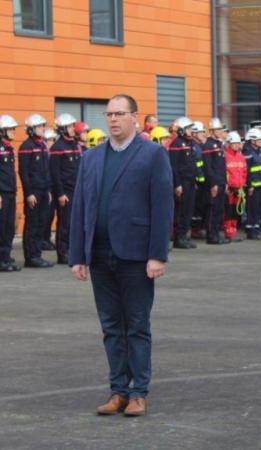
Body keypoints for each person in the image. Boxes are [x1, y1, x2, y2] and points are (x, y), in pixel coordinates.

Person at [69, 94, 173, 417]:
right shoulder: (91, 158)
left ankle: (139, 392)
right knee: (111, 326)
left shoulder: (153, 154)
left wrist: (158, 255)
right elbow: (80, 208)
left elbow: (162, 207)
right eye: (109, 114)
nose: (113, 119)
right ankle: (118, 390)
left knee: (137, 326)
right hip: (100, 255)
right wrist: (77, 255)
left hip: (136, 256)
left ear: (134, 118)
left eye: (120, 113)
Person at [18, 114, 54, 268]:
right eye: (39, 126)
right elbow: (23, 172)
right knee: (32, 224)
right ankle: (30, 257)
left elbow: (46, 170)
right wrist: (28, 193)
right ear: (32, 129)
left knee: (41, 223)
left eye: (43, 126)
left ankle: (37, 255)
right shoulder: (26, 146)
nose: (43, 129)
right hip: (34, 192)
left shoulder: (43, 146)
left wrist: (49, 190)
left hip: (44, 191)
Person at [50, 113, 82, 264]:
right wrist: (60, 193)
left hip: (76, 190)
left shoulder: (74, 144)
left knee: (74, 223)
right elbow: (55, 174)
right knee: (65, 224)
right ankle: (63, 254)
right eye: (69, 126)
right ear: (62, 129)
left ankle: (71, 250)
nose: (72, 128)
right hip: (65, 192)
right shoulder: (57, 147)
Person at [169, 117, 198, 248]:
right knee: (181, 211)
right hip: (182, 183)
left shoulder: (189, 143)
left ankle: (185, 236)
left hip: (191, 181)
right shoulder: (176, 144)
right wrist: (177, 184)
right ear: (182, 130)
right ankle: (178, 239)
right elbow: (174, 166)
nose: (191, 131)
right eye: (189, 129)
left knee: (188, 210)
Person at [202, 118, 228, 244]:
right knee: (213, 210)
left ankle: (216, 233)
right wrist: (213, 183)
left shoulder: (218, 144)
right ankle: (211, 235)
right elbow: (207, 166)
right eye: (218, 129)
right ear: (212, 130)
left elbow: (222, 165)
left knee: (219, 209)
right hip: (214, 183)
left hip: (221, 181)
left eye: (220, 129)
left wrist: (225, 182)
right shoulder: (208, 144)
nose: (220, 131)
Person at [0, 115, 21, 272]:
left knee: (9, 228)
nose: (13, 131)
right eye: (11, 129)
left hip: (10, 193)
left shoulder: (9, 148)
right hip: (1, 194)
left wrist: (14, 191)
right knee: (1, 227)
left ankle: (6, 257)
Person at [243, 128, 261, 240]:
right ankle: (251, 230)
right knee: (252, 208)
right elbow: (246, 170)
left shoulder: (259, 151)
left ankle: (256, 228)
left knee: (258, 208)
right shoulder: (248, 152)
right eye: (259, 139)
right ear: (252, 141)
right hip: (253, 186)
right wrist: (250, 185)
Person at [224, 131, 247, 242]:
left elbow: (244, 172)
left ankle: (233, 230)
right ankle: (228, 231)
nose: (237, 145)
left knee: (236, 211)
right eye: (235, 143)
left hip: (239, 188)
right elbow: (224, 173)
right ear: (229, 143)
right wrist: (227, 186)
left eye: (238, 143)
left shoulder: (241, 157)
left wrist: (242, 185)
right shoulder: (225, 156)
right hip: (229, 189)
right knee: (228, 211)